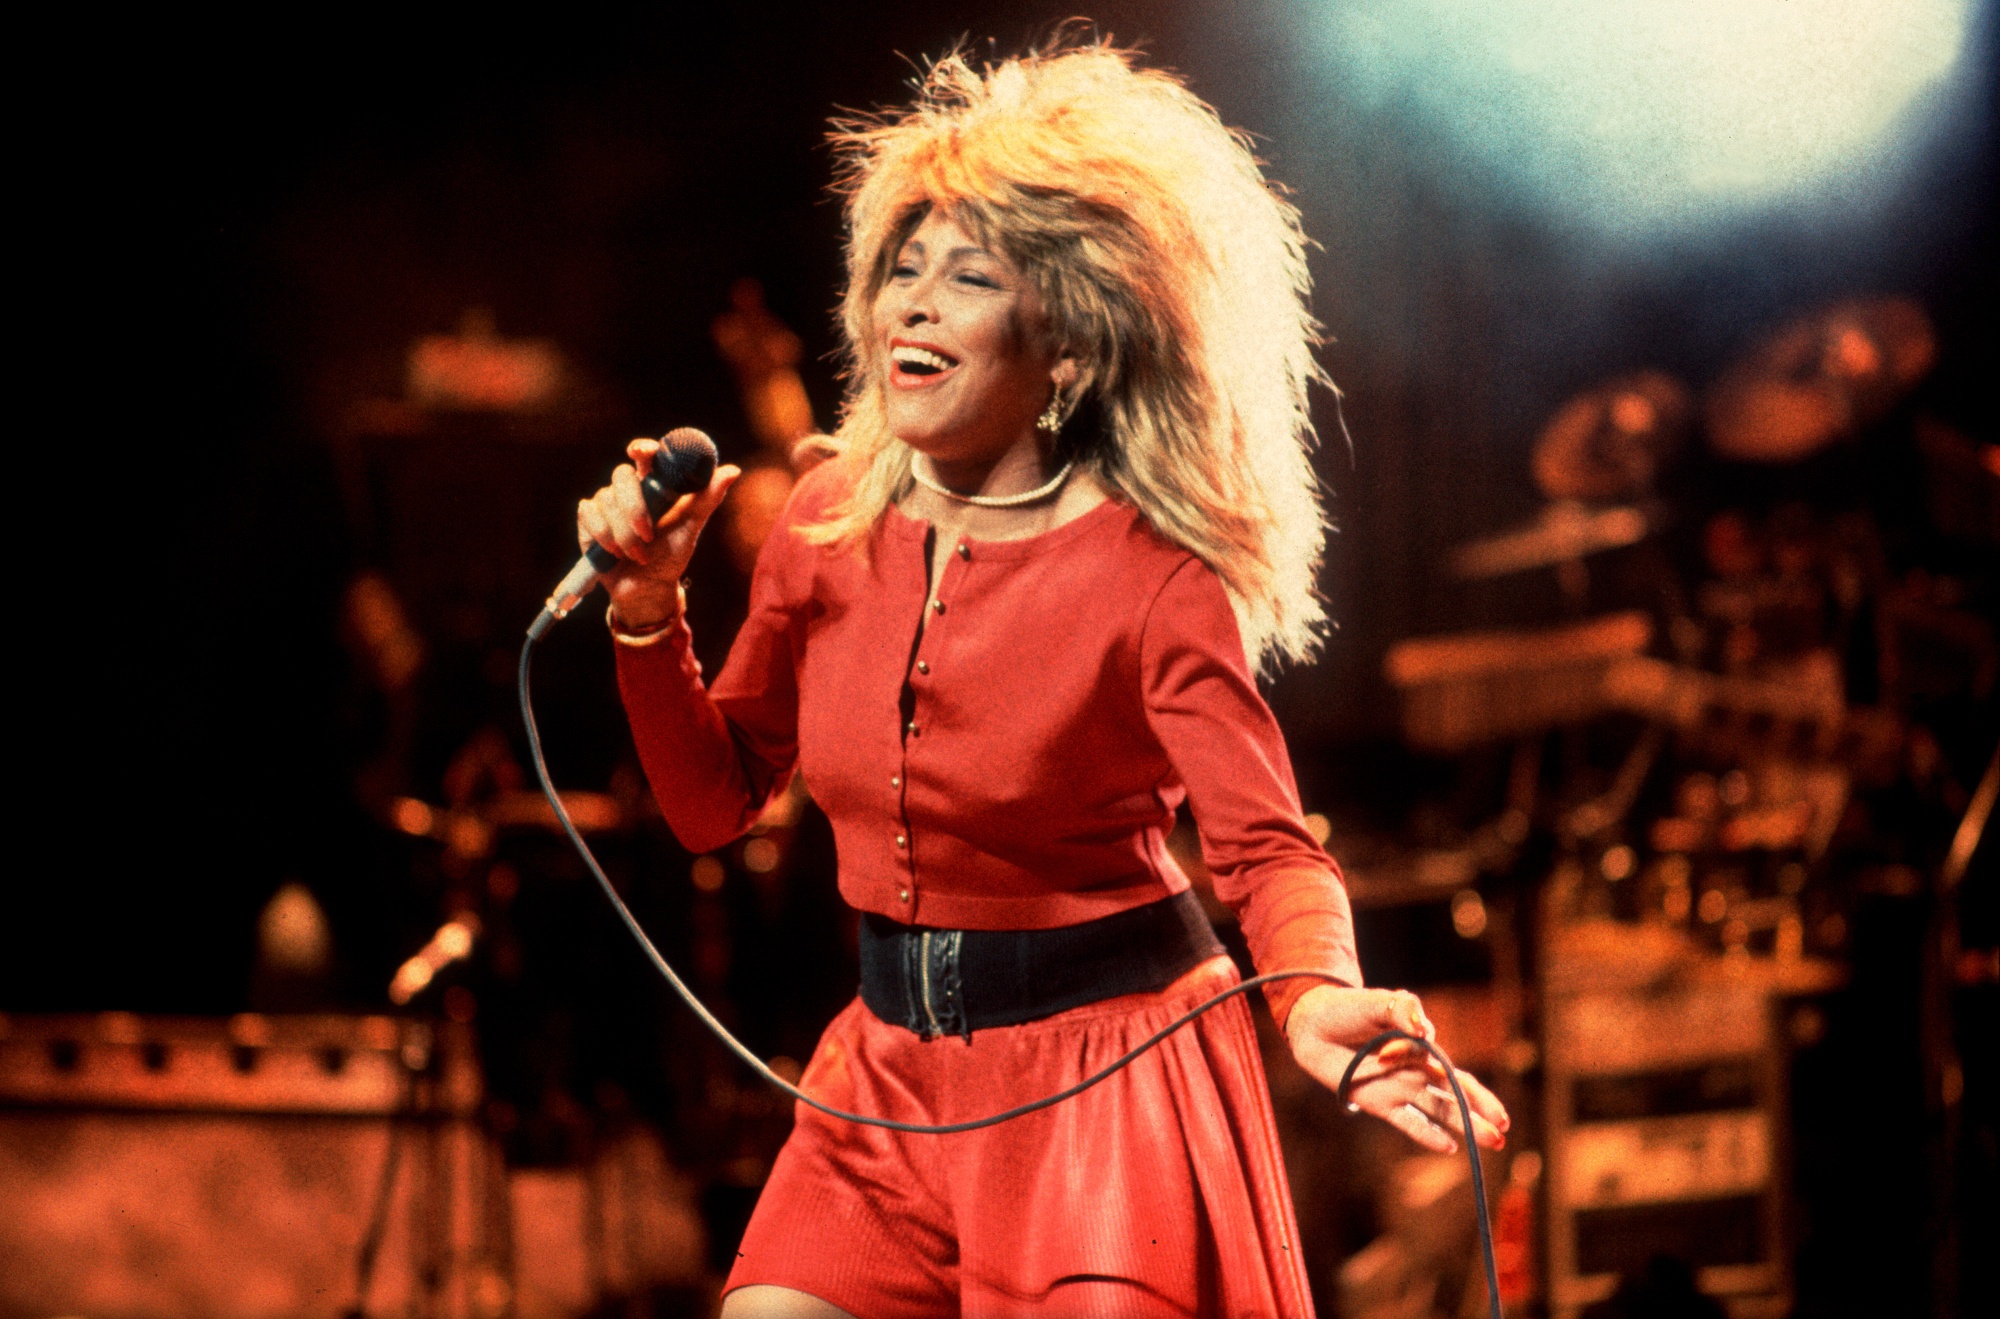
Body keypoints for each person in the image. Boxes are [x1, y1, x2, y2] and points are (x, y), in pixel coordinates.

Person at [576, 40, 1508, 1319]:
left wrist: (1314, 1003)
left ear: (1066, 343)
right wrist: (643, 612)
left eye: (966, 278)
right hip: (886, 1077)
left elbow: (1268, 850)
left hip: (1104, 1086)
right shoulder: (827, 520)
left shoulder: (1151, 574)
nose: (911, 304)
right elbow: (710, 803)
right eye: (900, 270)